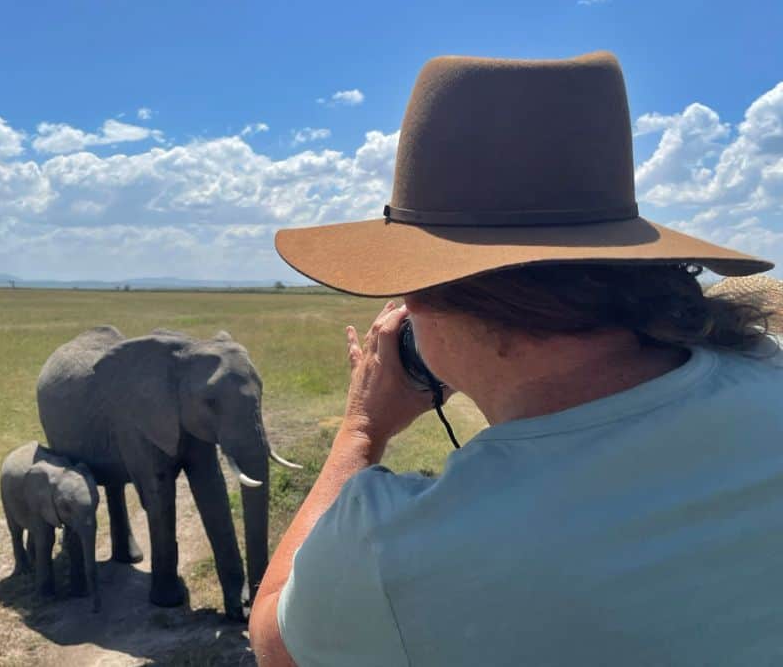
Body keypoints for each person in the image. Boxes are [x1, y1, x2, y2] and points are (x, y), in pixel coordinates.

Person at [248, 51, 783, 666]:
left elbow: (274, 639)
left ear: (421, 293)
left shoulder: (394, 554)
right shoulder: (768, 371)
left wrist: (361, 429)